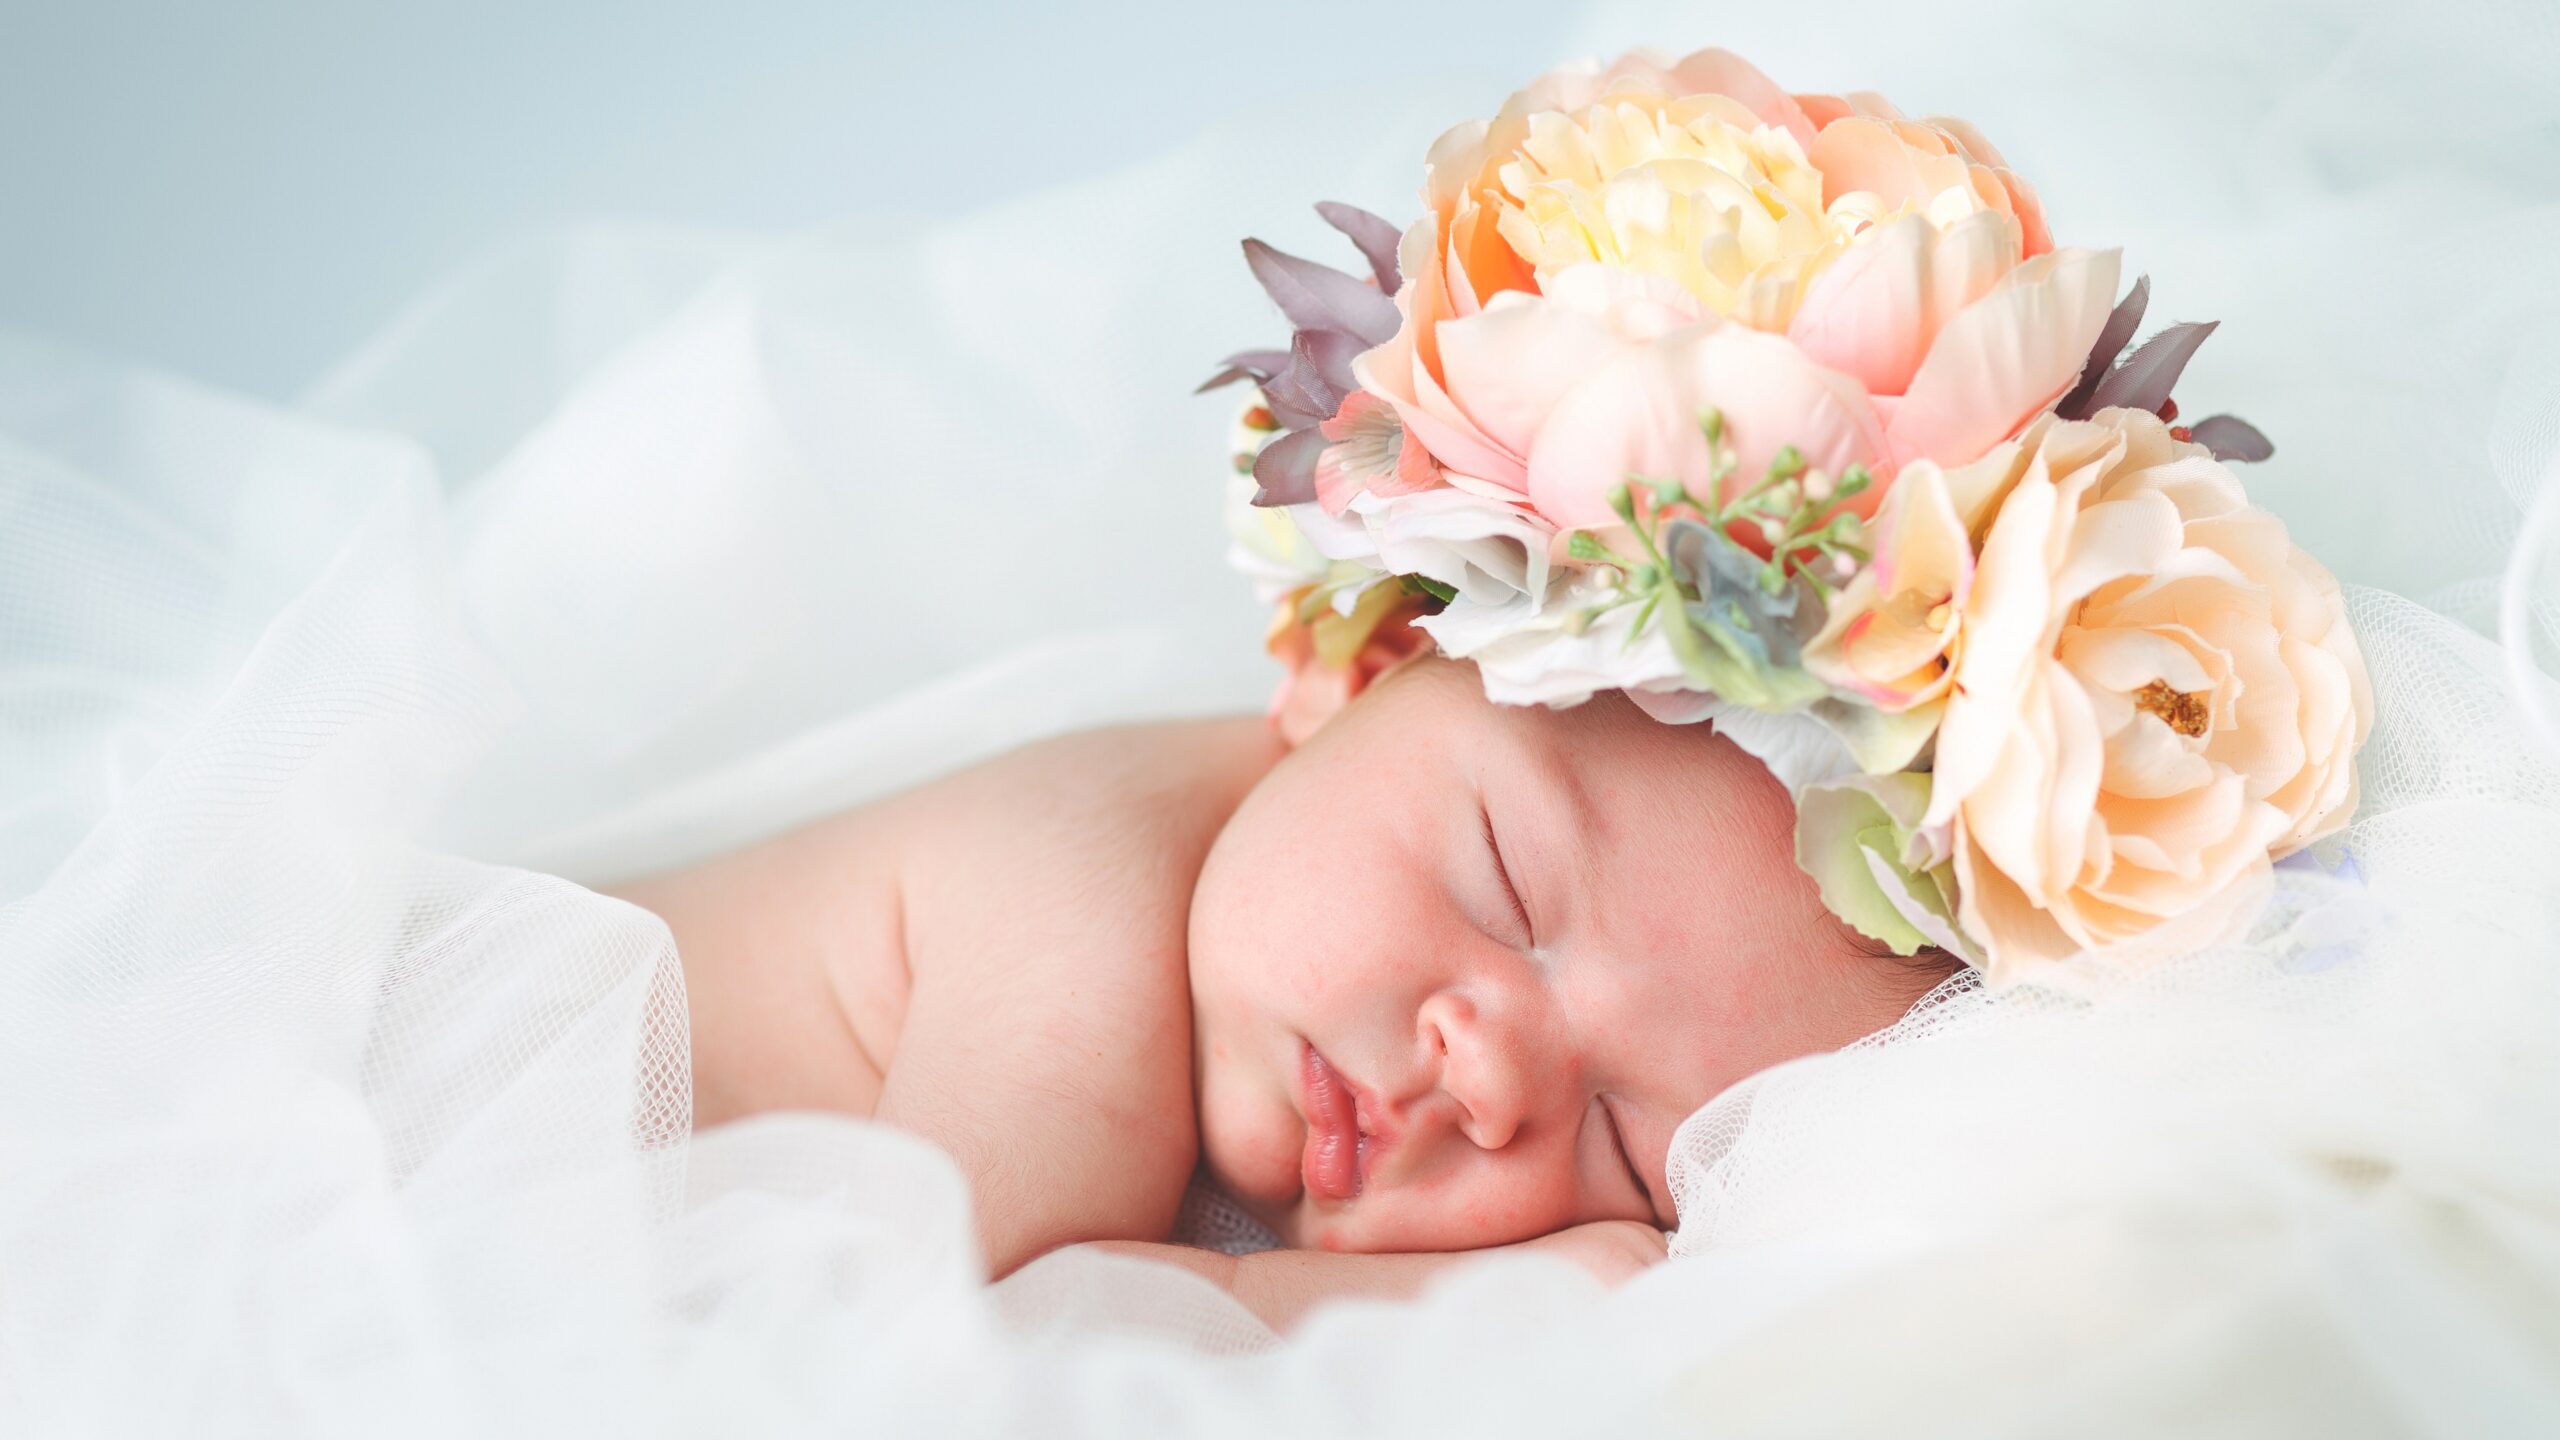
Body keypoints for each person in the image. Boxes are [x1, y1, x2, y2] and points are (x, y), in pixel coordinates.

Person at [613, 654, 1957, 1331]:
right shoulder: (1078, 908)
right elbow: (942, 1350)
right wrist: (1514, 1288)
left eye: (1620, 1147)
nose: (1485, 1078)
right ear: (1365, 669)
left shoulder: (1257, 925)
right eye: (1506, 890)